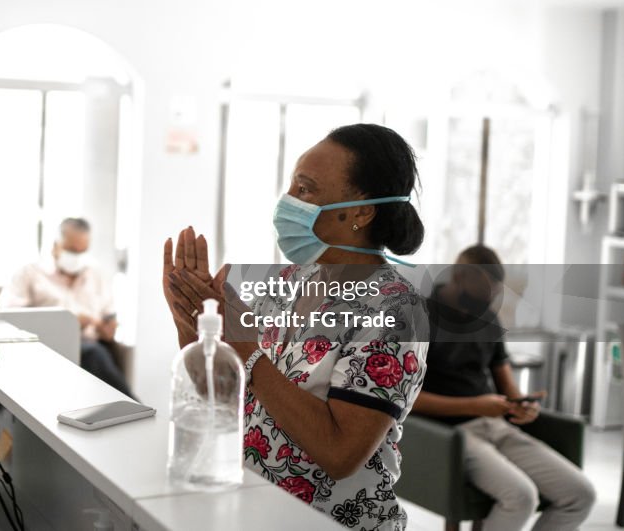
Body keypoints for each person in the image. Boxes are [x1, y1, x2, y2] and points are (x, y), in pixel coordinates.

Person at [164, 123, 430, 531]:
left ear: (361, 211)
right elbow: (220, 394)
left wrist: (247, 351)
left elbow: (340, 454)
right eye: (290, 187)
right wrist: (195, 324)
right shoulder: (288, 280)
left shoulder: (395, 309)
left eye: (305, 190)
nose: (287, 201)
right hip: (253, 512)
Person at [413, 245, 595, 531]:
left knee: (580, 494)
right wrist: (475, 406)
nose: (489, 303)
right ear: (459, 277)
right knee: (521, 497)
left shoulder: (488, 319)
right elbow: (406, 400)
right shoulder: (418, 316)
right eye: (482, 295)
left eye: (494, 294)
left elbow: (505, 381)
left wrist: (522, 403)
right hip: (449, 434)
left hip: (495, 425)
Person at [0, 217, 133, 398]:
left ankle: (126, 411)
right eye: (71, 250)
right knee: (94, 354)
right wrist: (68, 324)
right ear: (56, 245)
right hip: (46, 348)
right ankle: (134, 406)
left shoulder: (96, 275)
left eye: (82, 251)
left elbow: (109, 317)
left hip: (92, 344)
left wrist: (107, 328)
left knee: (97, 353)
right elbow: (8, 318)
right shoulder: (29, 274)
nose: (76, 257)